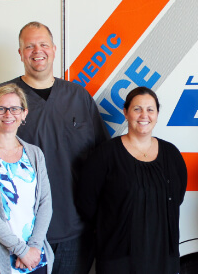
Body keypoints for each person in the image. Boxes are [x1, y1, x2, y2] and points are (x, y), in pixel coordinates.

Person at [0, 22, 109, 274]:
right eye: (29, 46)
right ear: (20, 53)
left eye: (42, 45)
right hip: (14, 237)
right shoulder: (2, 100)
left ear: (53, 49)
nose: (36, 51)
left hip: (73, 230)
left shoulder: (79, 97)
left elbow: (104, 161)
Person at [76, 87, 187, 274]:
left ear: (157, 115)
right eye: (137, 109)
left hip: (162, 258)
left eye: (150, 109)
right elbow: (86, 202)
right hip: (118, 258)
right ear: (126, 112)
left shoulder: (171, 154)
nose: (144, 115)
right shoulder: (105, 154)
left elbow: (178, 195)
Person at [0, 84, 53, 274]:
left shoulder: (35, 154)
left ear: (24, 113)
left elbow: (45, 203)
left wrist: (34, 248)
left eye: (15, 108)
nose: (8, 114)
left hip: (35, 258)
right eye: (1, 109)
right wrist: (21, 251)